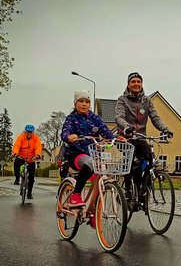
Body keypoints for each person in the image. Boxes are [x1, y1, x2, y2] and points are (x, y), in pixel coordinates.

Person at [114, 72, 173, 200]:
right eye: (133, 82)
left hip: (140, 137)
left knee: (149, 159)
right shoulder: (122, 100)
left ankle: (141, 189)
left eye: (138, 82)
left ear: (141, 84)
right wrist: (126, 127)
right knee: (130, 157)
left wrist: (165, 129)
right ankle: (128, 190)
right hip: (125, 137)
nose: (136, 84)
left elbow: (155, 118)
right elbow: (119, 117)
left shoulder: (147, 101)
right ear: (128, 84)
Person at [61, 90, 117, 208]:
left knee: (100, 178)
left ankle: (93, 212)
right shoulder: (71, 118)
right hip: (76, 155)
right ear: (75, 103)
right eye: (81, 101)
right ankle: (76, 194)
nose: (84, 104)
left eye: (87, 101)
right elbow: (65, 131)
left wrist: (116, 139)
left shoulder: (95, 118)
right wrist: (69, 137)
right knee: (90, 162)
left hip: (94, 154)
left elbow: (106, 131)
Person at [12, 124, 42, 199]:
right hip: (21, 156)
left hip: (31, 158)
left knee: (31, 177)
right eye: (28, 132)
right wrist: (15, 153)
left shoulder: (36, 138)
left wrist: (37, 155)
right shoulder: (21, 137)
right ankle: (17, 178)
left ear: (33, 132)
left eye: (30, 132)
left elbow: (38, 147)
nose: (29, 134)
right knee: (16, 163)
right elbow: (17, 145)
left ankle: (29, 193)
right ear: (25, 132)